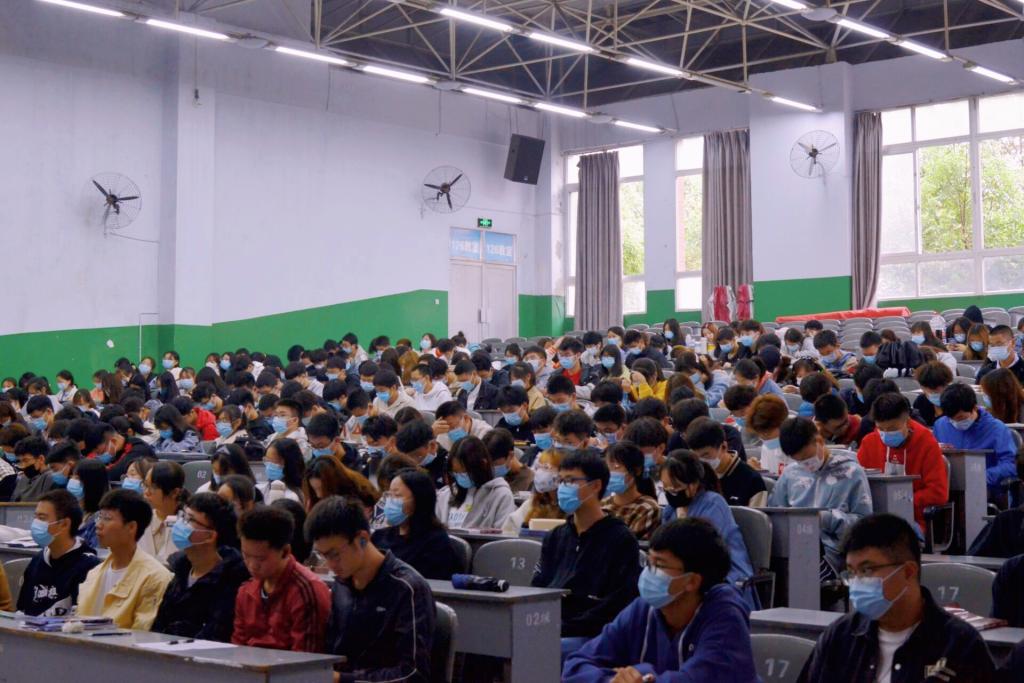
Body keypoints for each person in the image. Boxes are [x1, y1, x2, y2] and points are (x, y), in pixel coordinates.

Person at [797, 514, 996, 682]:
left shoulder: (959, 645)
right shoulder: (839, 637)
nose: (857, 582)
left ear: (908, 571)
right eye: (851, 572)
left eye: (867, 570)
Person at [564, 518, 759, 683]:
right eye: (648, 563)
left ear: (692, 581)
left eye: (659, 565)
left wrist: (642, 674)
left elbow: (699, 678)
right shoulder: (643, 608)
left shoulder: (725, 614)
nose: (648, 573)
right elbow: (576, 664)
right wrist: (610, 680)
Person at [308, 495, 435, 682]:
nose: (330, 565)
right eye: (323, 556)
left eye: (334, 554)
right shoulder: (341, 586)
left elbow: (413, 674)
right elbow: (331, 654)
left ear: (362, 539)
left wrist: (343, 679)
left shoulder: (408, 589)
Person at [531, 451, 641, 658]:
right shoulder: (555, 537)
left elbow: (616, 604)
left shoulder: (620, 539)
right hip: (548, 627)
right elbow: (538, 587)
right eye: (561, 481)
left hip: (592, 635)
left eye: (571, 481)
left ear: (596, 485)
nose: (563, 487)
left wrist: (563, 628)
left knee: (538, 650)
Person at [770, 417, 873, 578]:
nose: (805, 464)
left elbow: (865, 526)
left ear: (818, 441)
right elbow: (776, 514)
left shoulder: (851, 473)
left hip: (832, 554)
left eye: (807, 457)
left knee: (801, 575)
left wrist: (826, 518)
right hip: (795, 548)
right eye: (799, 461)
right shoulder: (791, 474)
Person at [152, 492, 249, 641]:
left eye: (190, 519)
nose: (181, 524)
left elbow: (215, 634)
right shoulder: (180, 570)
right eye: (183, 516)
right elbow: (159, 624)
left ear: (210, 536)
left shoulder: (232, 580)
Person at [232, 505, 331, 651]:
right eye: (246, 555)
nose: (252, 566)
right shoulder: (246, 591)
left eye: (261, 559)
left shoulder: (306, 591)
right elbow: (237, 646)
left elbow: (307, 658)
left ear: (285, 551)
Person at [77, 489, 173, 629]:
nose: (98, 525)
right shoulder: (94, 573)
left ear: (131, 527)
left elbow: (141, 633)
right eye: (99, 517)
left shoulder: (155, 577)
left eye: (107, 519)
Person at [856, 393, 948, 534]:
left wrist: (900, 502)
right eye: (881, 428)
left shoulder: (926, 442)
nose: (886, 434)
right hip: (874, 518)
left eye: (892, 429)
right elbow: (859, 485)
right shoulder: (869, 442)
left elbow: (938, 493)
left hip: (914, 519)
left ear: (907, 420)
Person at [17, 489, 100, 616]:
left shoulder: (88, 566)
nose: (35, 523)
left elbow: (82, 619)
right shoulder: (37, 560)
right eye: (35, 517)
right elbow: (22, 610)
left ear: (64, 524)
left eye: (42, 518)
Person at [371, 468, 462, 580]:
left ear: (419, 500)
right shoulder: (379, 536)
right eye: (389, 495)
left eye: (397, 496)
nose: (390, 501)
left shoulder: (435, 543)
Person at [933, 383, 1018, 502]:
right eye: (950, 419)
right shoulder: (941, 425)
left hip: (986, 489)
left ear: (975, 408)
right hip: (949, 487)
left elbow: (1011, 465)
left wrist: (982, 476)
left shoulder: (996, 429)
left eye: (961, 418)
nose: (955, 422)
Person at [436, 435, 515, 529]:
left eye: (464, 472)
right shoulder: (446, 495)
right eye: (456, 472)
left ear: (483, 465)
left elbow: (504, 534)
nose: (460, 477)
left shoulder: (501, 495)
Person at [685, 417, 767, 507]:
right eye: (696, 457)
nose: (701, 461)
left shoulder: (752, 481)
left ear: (724, 447)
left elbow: (754, 515)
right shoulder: (694, 477)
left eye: (706, 455)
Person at [601, 441, 661, 540]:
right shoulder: (602, 504)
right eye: (608, 467)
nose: (611, 473)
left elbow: (629, 543)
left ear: (637, 470)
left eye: (616, 467)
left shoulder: (647, 508)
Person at [502, 446, 566, 533]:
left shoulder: (572, 506)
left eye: (546, 468)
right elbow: (509, 530)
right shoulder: (532, 503)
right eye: (538, 467)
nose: (540, 472)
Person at [140, 460, 186, 564]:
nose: (146, 492)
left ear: (174, 492)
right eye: (145, 485)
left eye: (153, 487)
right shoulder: (140, 518)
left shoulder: (188, 525)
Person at [303, 454, 379, 513]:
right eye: (314, 489)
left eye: (321, 489)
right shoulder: (315, 498)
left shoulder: (358, 499)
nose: (318, 495)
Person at [746, 394, 791, 474]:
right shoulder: (766, 447)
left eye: (767, 434)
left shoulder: (801, 448)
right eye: (759, 434)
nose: (763, 438)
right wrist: (759, 470)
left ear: (783, 424)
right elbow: (770, 473)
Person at [482, 427, 534, 492]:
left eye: (494, 464)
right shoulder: (491, 477)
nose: (491, 468)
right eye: (488, 464)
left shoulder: (529, 482)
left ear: (510, 455)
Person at [260, 438, 305, 504]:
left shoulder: (293, 496)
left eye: (275, 462)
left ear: (289, 463)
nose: (269, 466)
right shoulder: (261, 490)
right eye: (267, 460)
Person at [913, 361, 953, 427]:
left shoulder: (957, 402)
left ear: (946, 385)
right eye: (931, 391)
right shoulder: (920, 402)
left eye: (936, 391)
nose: (934, 394)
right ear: (922, 387)